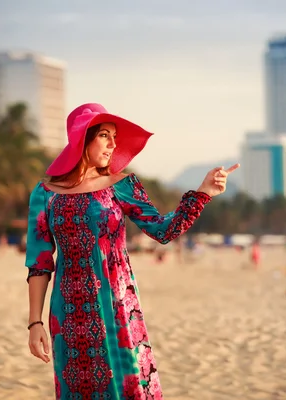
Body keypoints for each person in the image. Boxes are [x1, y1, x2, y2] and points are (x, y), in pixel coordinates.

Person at [24, 103, 239, 399]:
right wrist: (35, 322)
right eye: (104, 135)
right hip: (69, 315)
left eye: (114, 136)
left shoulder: (121, 185)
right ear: (81, 138)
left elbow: (163, 230)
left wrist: (203, 193)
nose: (113, 144)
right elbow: (39, 263)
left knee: (130, 388)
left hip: (117, 307)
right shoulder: (45, 194)